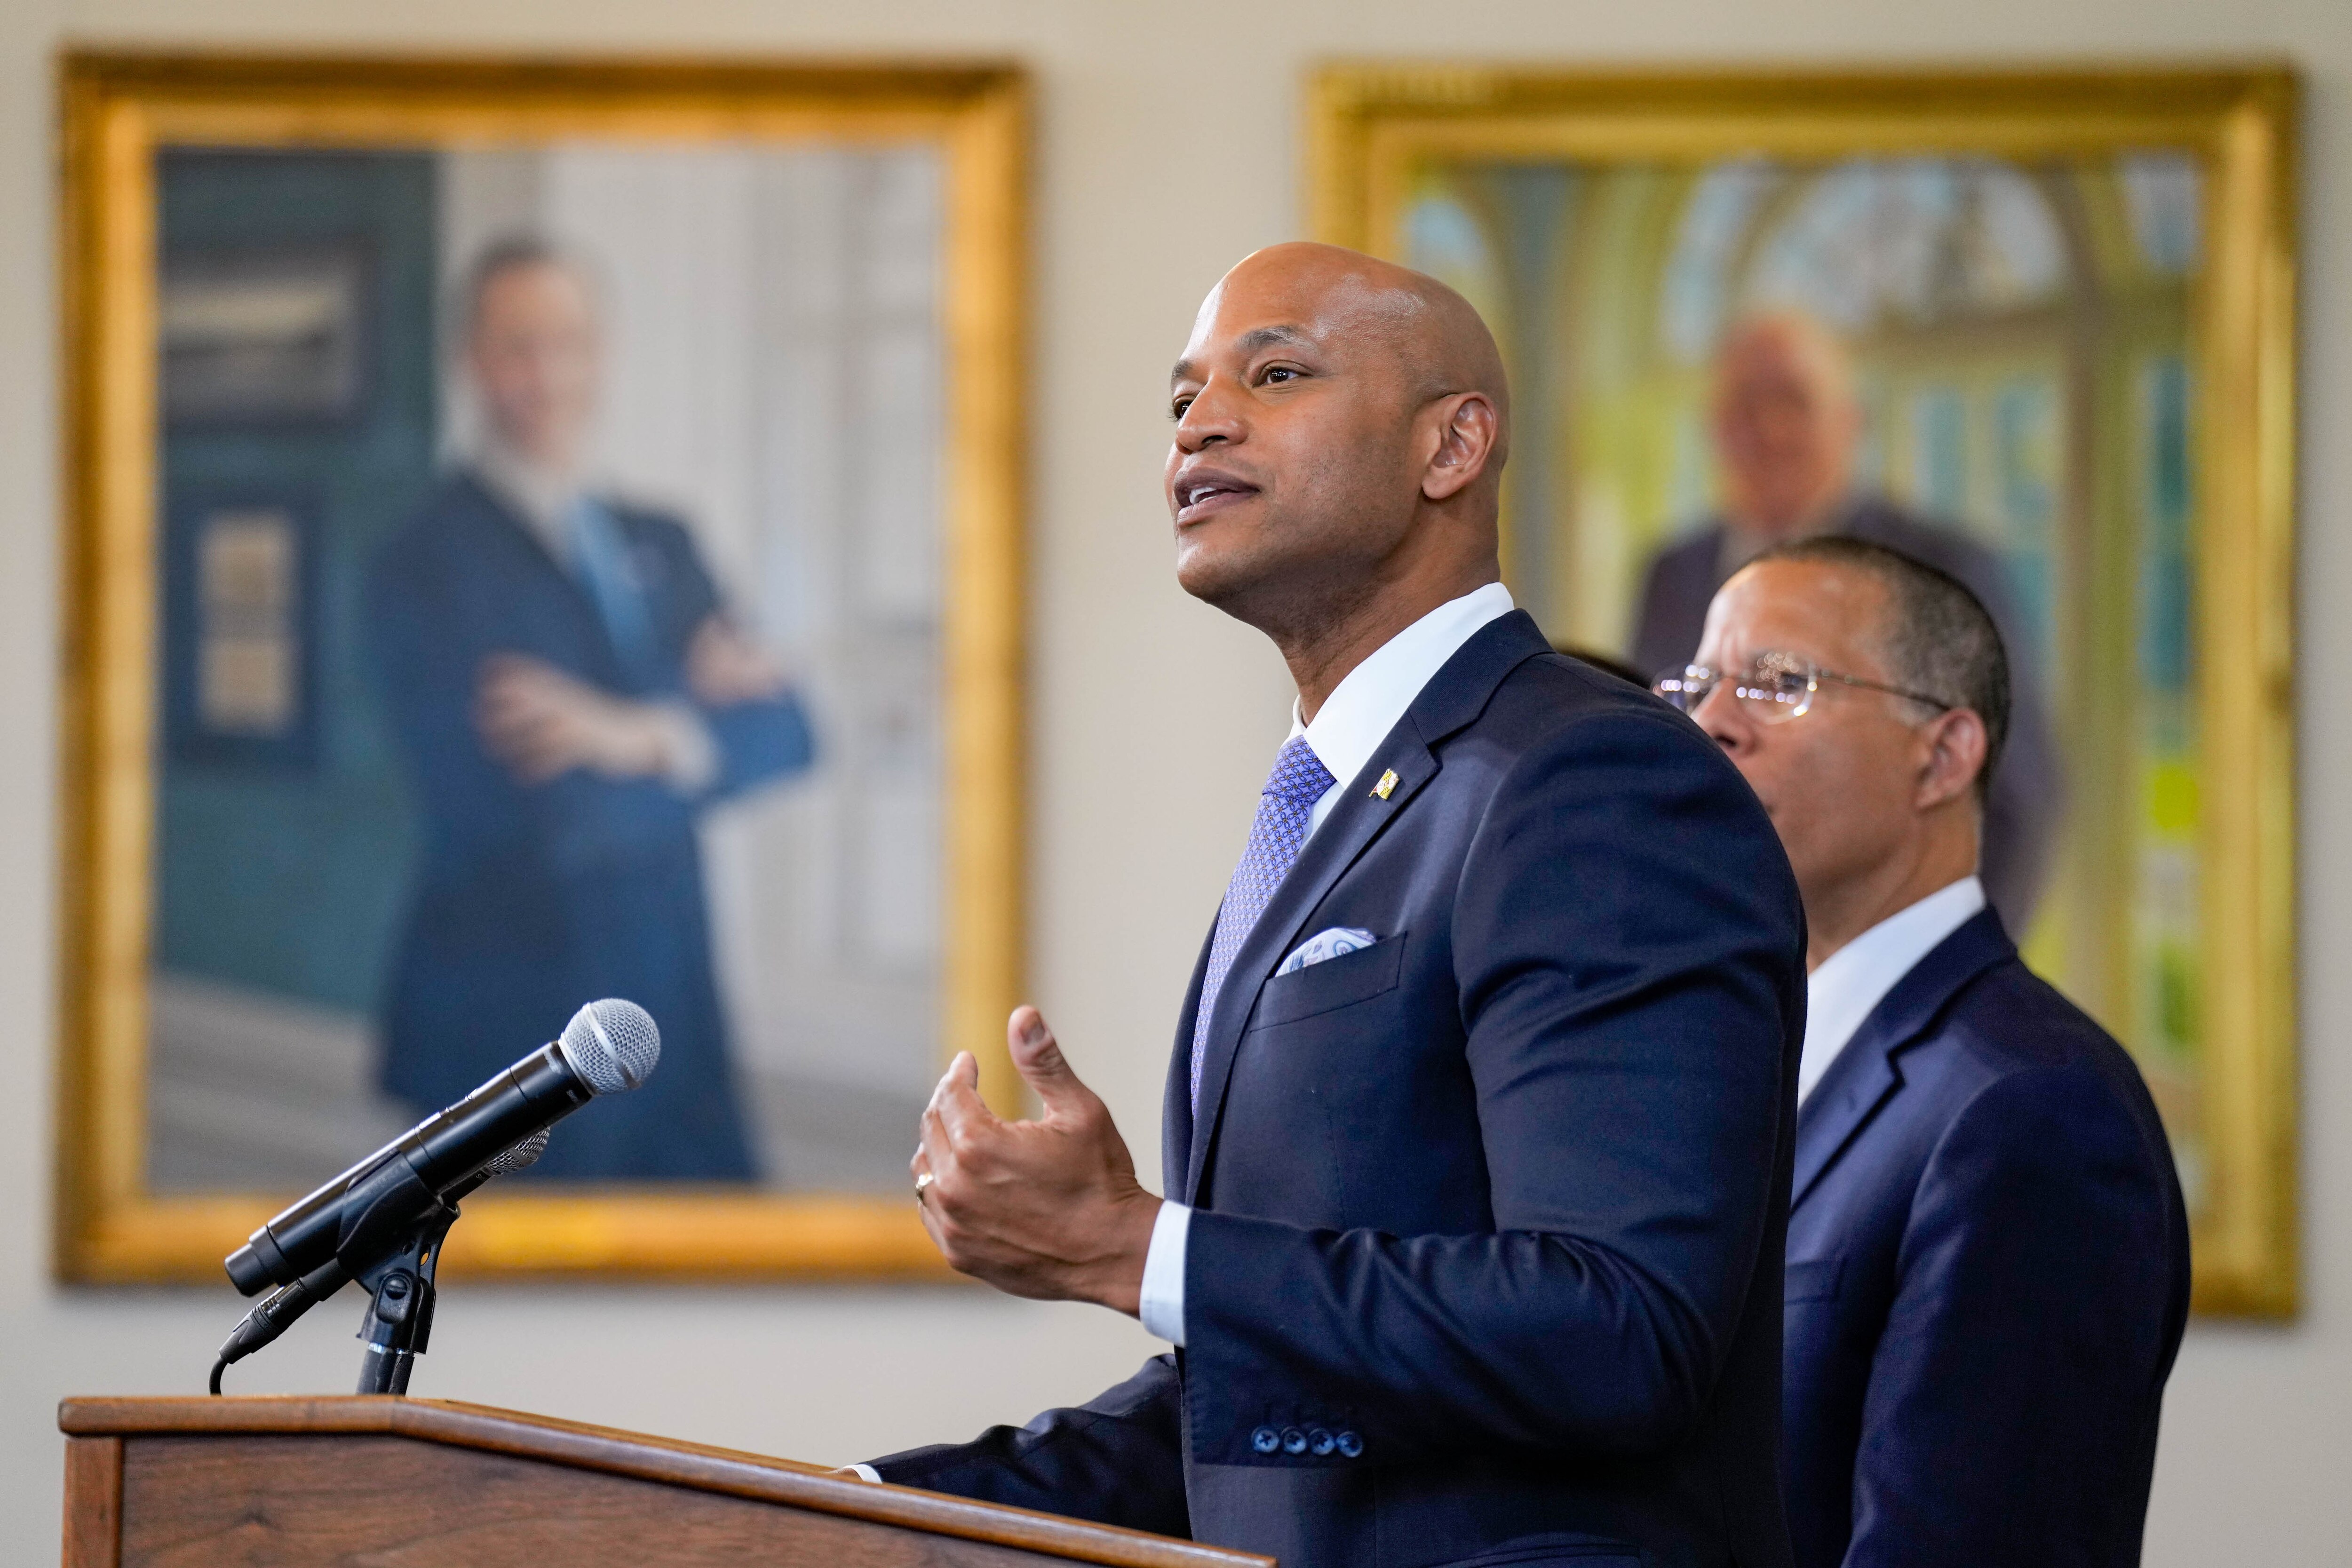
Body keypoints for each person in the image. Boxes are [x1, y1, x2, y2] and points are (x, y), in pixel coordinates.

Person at [854, 243, 1808, 1568]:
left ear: (1452, 445)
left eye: (1278, 372)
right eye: (1181, 397)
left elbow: (1620, 1326)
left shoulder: (1593, 778)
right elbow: (1259, 1407)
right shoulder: (1333, 802)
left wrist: (1138, 1248)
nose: (1201, 422)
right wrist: (835, 1510)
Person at [1659, 536, 2189, 1568]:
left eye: (1777, 682)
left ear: (1943, 754)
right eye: (1698, 684)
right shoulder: (1738, 1057)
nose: (1712, 722)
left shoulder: (2028, 1108)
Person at [366, 239, 814, 1181]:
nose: (547, 372)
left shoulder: (665, 537)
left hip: (674, 1009)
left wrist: (633, 733)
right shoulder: (422, 564)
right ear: (471, 362)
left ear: (601, 351)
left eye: (567, 341)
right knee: (522, 1321)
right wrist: (698, 723)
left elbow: (791, 730)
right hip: (504, 1023)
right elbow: (539, 816)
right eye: (516, 346)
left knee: (711, 1303)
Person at [1629, 312, 2061, 932]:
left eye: (1794, 400)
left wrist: (1945, 977)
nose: (1769, 428)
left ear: (1851, 420)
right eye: (1744, 405)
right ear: (1715, 429)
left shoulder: (1944, 568)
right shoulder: (1670, 575)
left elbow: (2021, 800)